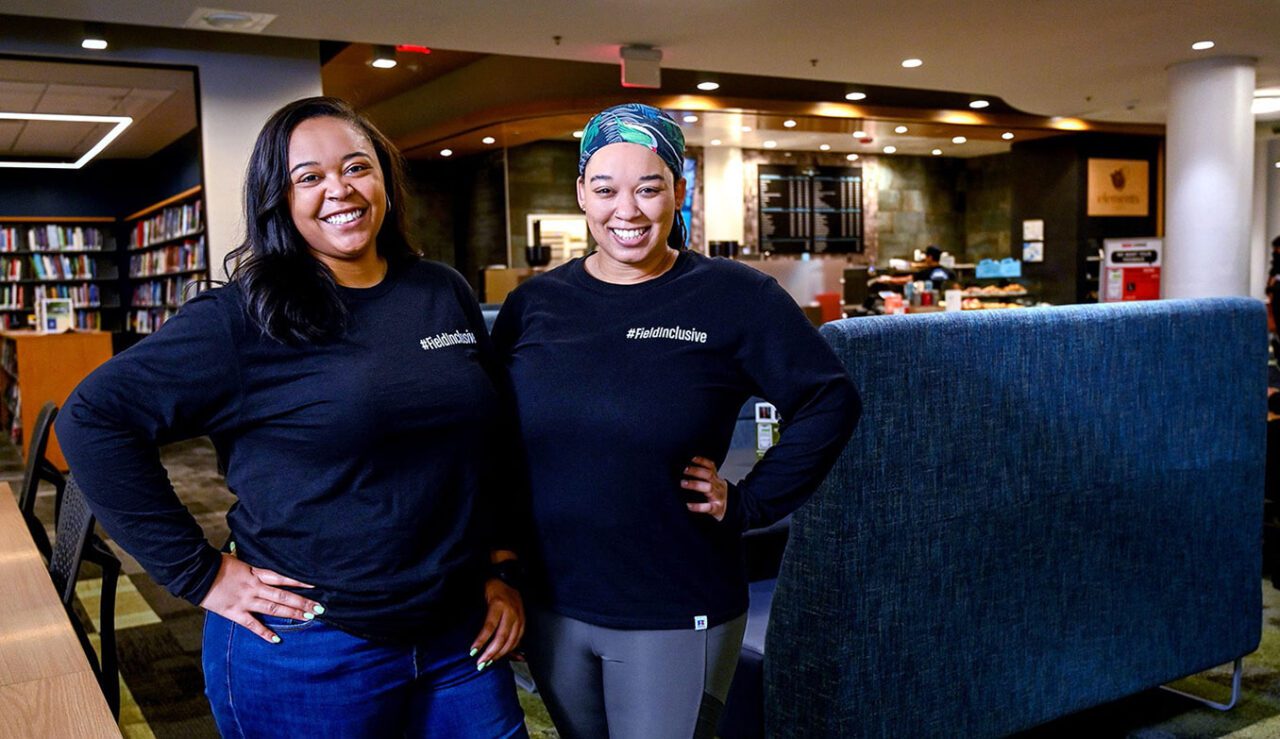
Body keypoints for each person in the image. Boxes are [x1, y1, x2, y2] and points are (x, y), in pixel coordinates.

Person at [56, 97, 528, 738]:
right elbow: (92, 419)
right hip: (311, 647)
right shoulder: (243, 316)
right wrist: (198, 574)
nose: (340, 189)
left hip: (458, 635)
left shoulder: (439, 290)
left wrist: (498, 569)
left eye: (357, 166)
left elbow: (490, 444)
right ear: (279, 199)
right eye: (309, 177)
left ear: (384, 177)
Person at [491, 103, 861, 739]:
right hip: (554, 602)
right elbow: (494, 441)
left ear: (680, 190)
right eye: (605, 188)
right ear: (581, 192)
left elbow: (829, 401)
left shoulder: (733, 296)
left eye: (649, 186)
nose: (626, 210)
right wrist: (502, 572)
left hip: (673, 600)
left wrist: (751, 502)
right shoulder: (535, 304)